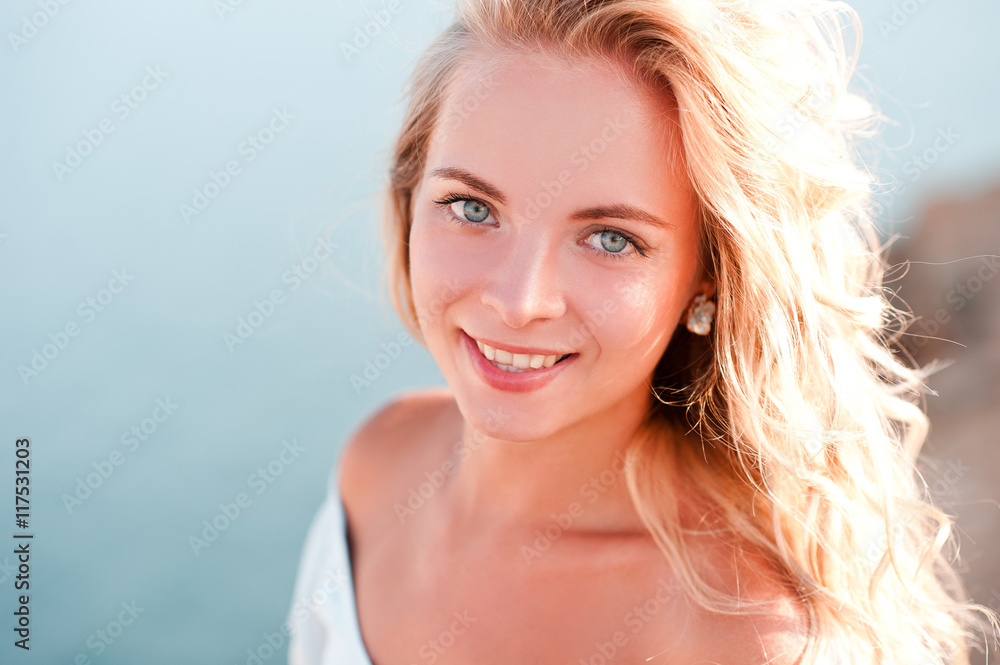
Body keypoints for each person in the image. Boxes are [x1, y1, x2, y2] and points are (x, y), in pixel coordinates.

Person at [286, 0, 999, 663]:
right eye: (471, 207)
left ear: (707, 276)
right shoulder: (378, 467)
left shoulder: (743, 635)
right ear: (410, 200)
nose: (518, 299)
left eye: (610, 238)